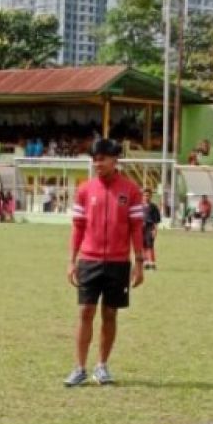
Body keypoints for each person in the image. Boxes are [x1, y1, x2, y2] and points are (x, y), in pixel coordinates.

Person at [64, 138, 145, 387]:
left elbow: (136, 228)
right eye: (94, 159)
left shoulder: (131, 190)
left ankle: (102, 366)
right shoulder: (85, 190)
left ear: (115, 160)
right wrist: (71, 260)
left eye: (102, 159)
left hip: (119, 263)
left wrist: (139, 262)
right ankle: (79, 368)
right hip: (89, 260)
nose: (98, 164)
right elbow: (77, 228)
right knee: (85, 311)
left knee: (110, 314)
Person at [141, 188, 161, 270]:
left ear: (151, 196)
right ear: (142, 196)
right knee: (142, 245)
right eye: (145, 195)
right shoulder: (139, 206)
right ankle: (145, 263)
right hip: (140, 228)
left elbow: (156, 220)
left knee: (150, 245)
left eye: (148, 195)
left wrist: (155, 230)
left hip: (149, 227)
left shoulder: (153, 207)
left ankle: (152, 263)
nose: (146, 197)